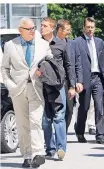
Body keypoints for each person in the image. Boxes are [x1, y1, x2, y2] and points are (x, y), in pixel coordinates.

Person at [1, 17, 52, 168]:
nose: (32, 31)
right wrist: (10, 85)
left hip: (36, 88)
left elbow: (50, 63)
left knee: (36, 121)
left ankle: (38, 153)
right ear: (20, 30)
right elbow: (4, 68)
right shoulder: (10, 45)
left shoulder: (43, 44)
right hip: (18, 89)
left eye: (33, 28)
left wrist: (43, 72)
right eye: (29, 29)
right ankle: (27, 155)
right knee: (23, 124)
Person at [40, 17, 76, 160]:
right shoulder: (37, 44)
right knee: (45, 119)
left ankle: (61, 148)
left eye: (45, 25)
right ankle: (50, 148)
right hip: (41, 85)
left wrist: (72, 86)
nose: (41, 27)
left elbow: (69, 66)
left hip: (57, 85)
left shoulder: (61, 44)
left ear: (52, 28)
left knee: (59, 116)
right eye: (41, 25)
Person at [73, 17, 104, 144]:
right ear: (84, 27)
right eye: (88, 27)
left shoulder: (99, 42)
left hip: (98, 77)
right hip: (84, 79)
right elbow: (74, 62)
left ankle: (100, 136)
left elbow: (103, 60)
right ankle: (80, 132)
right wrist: (77, 80)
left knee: (99, 107)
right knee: (84, 107)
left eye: (92, 27)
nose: (90, 29)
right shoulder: (77, 42)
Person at [56, 19, 83, 133]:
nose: (69, 32)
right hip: (55, 81)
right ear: (59, 30)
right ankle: (57, 137)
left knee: (69, 110)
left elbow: (77, 64)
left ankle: (63, 134)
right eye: (67, 30)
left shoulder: (71, 44)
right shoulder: (51, 43)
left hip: (69, 82)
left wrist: (78, 81)